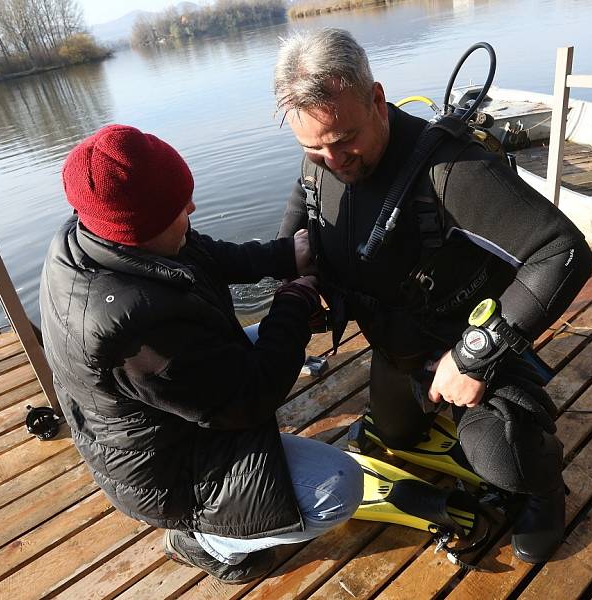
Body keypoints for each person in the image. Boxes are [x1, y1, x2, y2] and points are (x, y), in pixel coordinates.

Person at [274, 29, 592, 564]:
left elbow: (562, 252)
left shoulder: (451, 170)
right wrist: (299, 288)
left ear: (377, 99)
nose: (334, 160)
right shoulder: (322, 156)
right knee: (396, 432)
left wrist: (476, 355)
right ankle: (422, 406)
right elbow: (294, 242)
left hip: (467, 348)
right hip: (396, 348)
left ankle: (543, 485)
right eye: (313, 146)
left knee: (502, 457)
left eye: (345, 138)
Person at [39, 124, 363, 584]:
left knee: (255, 342)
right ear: (140, 229)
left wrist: (285, 255)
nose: (191, 208)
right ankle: (206, 543)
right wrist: (295, 300)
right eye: (178, 207)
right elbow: (252, 397)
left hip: (160, 411)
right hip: (166, 472)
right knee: (338, 489)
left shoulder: (99, 233)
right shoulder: (134, 335)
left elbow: (203, 253)